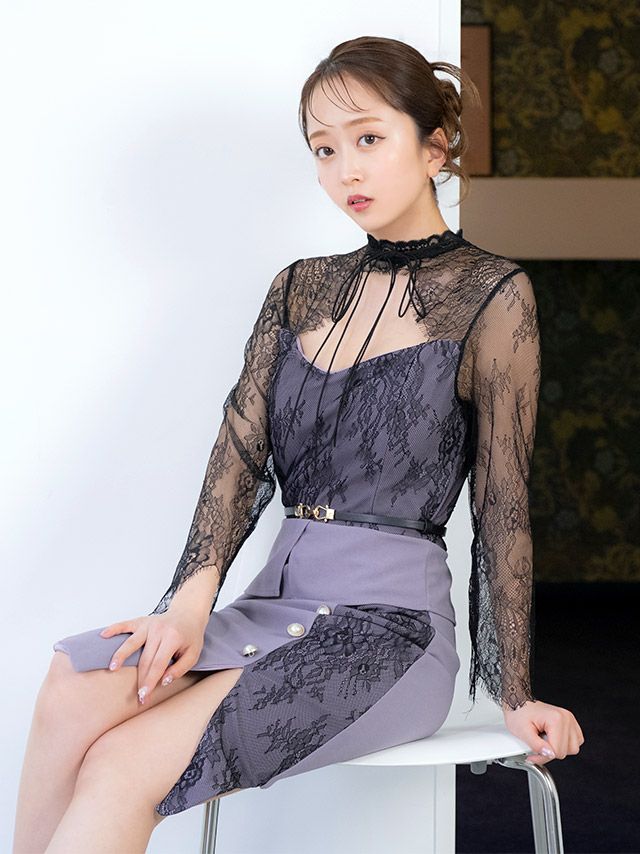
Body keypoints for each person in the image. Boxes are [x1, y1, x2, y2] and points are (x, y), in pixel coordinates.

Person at [13, 35, 584, 853]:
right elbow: (239, 455)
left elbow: (503, 506)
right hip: (275, 603)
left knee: (123, 765)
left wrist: (515, 690)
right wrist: (187, 606)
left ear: (434, 148)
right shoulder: (300, 287)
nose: (346, 169)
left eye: (368, 138)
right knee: (72, 682)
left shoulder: (493, 295)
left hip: (389, 631)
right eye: (324, 149)